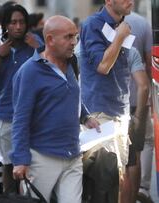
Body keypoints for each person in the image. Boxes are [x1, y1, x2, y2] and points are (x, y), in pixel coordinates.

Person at [11, 15, 100, 203]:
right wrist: (20, 159)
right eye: (68, 37)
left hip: (73, 154)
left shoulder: (71, 62)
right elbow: (20, 119)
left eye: (75, 36)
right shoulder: (29, 72)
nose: (74, 42)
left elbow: (71, 94)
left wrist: (85, 117)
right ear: (50, 40)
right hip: (42, 157)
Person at [0, 3, 43, 193]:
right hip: (5, 114)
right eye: (13, 22)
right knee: (9, 166)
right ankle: (10, 197)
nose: (18, 27)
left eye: (21, 22)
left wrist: (39, 49)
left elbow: (53, 70)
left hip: (34, 115)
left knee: (33, 165)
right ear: (6, 25)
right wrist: (0, 56)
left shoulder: (36, 43)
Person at [80, 0, 134, 202]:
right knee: (102, 182)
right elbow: (103, 66)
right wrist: (119, 37)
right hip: (99, 113)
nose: (131, 1)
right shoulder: (93, 25)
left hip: (120, 111)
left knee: (116, 178)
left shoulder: (123, 25)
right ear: (108, 1)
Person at [125, 11, 154, 202]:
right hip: (138, 96)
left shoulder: (95, 23)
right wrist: (152, 92)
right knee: (142, 144)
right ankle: (142, 189)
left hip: (111, 102)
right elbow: (151, 59)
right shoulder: (141, 22)